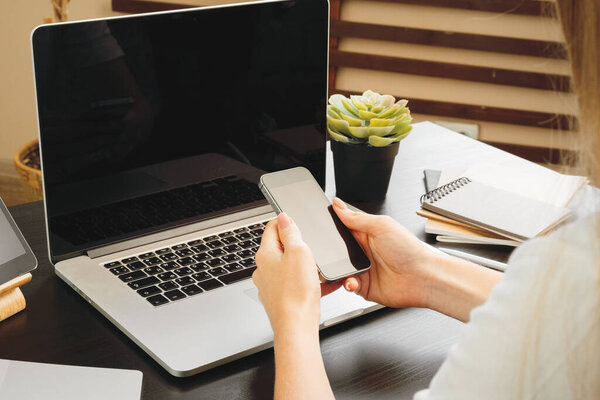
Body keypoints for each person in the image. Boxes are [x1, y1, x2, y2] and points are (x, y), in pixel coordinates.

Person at [251, 0, 600, 398]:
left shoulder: (578, 265)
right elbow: (560, 316)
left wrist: (292, 318)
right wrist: (426, 274)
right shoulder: (578, 267)